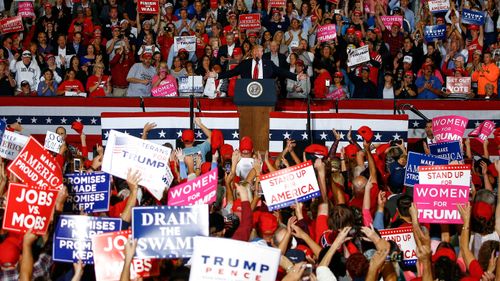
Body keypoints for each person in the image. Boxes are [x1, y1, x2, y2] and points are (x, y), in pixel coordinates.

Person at [210, 45, 307, 81]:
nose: (256, 53)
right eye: (254, 51)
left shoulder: (268, 63)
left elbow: (281, 71)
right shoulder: (245, 63)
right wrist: (217, 75)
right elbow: (232, 72)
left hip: (265, 93)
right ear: (252, 53)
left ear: (262, 53)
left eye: (259, 51)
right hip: (248, 92)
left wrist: (296, 77)